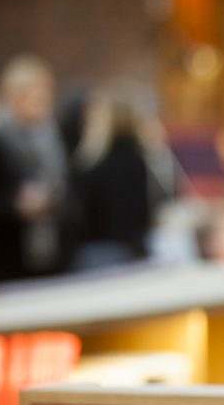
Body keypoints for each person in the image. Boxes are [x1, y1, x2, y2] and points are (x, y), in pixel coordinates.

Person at [0, 55, 70, 284]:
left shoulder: (58, 142)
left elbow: (70, 191)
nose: (42, 100)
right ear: (13, 98)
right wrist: (17, 204)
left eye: (45, 93)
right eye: (32, 94)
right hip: (1, 256)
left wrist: (52, 200)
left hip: (47, 257)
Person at [65, 86, 173, 271]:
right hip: (134, 252)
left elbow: (80, 216)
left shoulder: (93, 165)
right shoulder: (141, 161)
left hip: (99, 254)